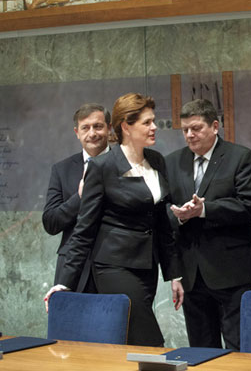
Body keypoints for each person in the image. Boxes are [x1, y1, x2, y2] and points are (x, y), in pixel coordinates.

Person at [44, 93, 183, 347]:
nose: (154, 127)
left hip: (147, 268)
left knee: (128, 343)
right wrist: (64, 282)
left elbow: (162, 223)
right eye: (147, 122)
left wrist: (175, 275)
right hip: (114, 267)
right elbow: (84, 229)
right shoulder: (102, 166)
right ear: (126, 126)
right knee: (150, 341)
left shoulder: (157, 160)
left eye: (154, 121)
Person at [165, 99, 251, 351]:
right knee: (200, 350)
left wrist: (205, 210)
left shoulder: (240, 157)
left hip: (231, 272)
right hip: (191, 274)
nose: (189, 135)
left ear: (215, 126)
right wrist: (177, 215)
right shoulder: (173, 162)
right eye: (185, 129)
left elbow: (250, 206)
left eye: (196, 128)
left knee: (237, 349)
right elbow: (163, 212)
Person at [42, 103, 111, 293]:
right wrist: (79, 198)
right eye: (85, 128)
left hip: (115, 266)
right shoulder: (61, 170)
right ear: (76, 132)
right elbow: (51, 222)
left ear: (109, 128)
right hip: (71, 271)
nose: (92, 133)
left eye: (98, 126)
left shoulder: (124, 164)